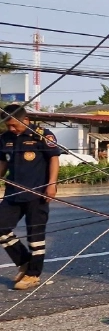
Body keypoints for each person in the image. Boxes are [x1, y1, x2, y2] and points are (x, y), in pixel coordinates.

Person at [0, 104, 60, 290]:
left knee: (35, 236)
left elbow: (54, 158)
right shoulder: (5, 138)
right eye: (7, 125)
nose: (11, 129)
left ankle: (33, 274)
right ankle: (24, 261)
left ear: (25, 120)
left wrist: (52, 184)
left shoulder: (42, 134)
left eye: (13, 125)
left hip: (37, 193)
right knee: (1, 228)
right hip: (13, 193)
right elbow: (2, 163)